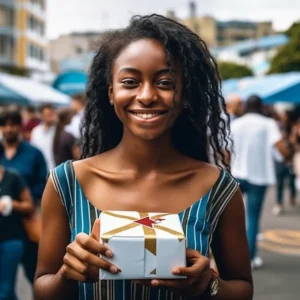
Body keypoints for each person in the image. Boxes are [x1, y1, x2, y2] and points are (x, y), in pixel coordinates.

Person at [34, 15, 253, 300]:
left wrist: (208, 285)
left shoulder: (219, 190)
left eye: (165, 82)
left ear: (183, 92)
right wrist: (68, 274)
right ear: (111, 92)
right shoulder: (66, 183)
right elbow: (42, 288)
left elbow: (243, 289)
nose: (147, 95)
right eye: (130, 81)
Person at [230, 95, 282, 269]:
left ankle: (228, 255)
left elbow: (226, 149)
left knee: (232, 217)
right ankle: (250, 259)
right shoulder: (268, 124)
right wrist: (289, 158)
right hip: (259, 176)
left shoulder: (236, 123)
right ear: (261, 106)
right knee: (252, 217)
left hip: (237, 173)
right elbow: (279, 145)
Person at [0, 109, 48, 285]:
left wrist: (24, 202)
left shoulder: (33, 153)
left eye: (13, 124)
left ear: (20, 127)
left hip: (26, 220)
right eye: (4, 125)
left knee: (32, 271)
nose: (9, 129)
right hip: (3, 226)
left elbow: (42, 182)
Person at [0, 163, 35, 300]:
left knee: (5, 291)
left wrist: (10, 204)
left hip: (12, 240)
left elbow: (29, 206)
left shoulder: (12, 176)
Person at [272, 109, 297, 215]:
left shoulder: (294, 128)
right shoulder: (277, 127)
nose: (283, 117)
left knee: (291, 181)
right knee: (280, 183)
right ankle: (279, 203)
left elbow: (295, 143)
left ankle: (292, 196)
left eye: (285, 115)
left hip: (291, 160)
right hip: (279, 160)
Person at [31, 104, 57, 170]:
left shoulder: (59, 131)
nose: (50, 117)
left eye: (52, 114)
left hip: (55, 169)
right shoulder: (36, 131)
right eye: (48, 114)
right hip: (40, 169)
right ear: (41, 115)